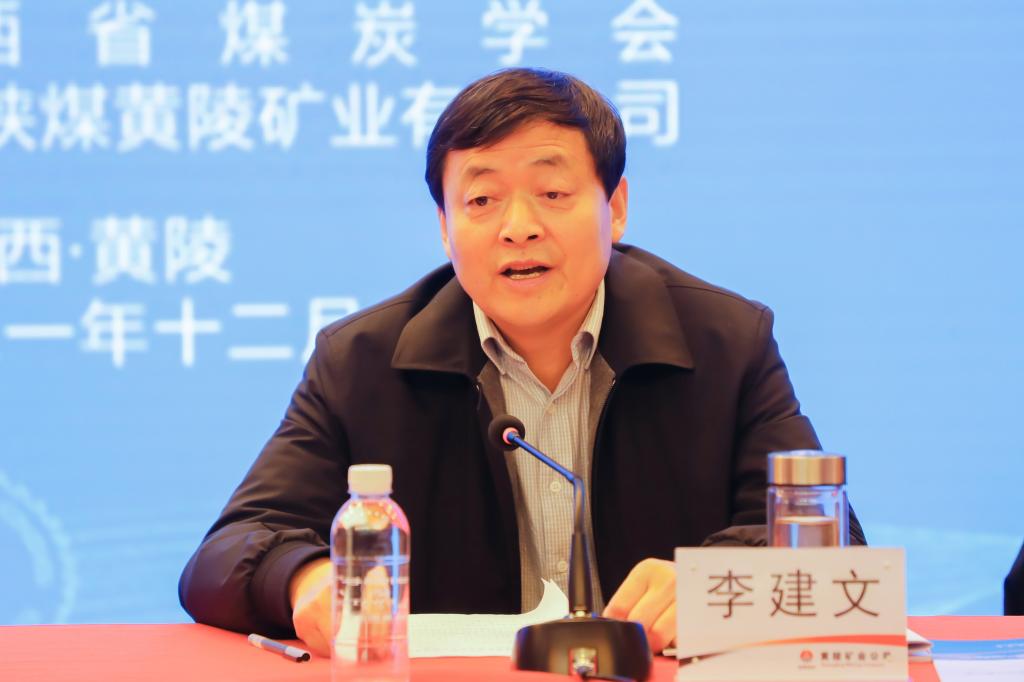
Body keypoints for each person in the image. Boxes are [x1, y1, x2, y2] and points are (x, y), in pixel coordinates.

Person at [179, 67, 866, 657]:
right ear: (445, 229)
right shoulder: (362, 362)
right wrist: (306, 581)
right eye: (481, 200)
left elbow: (835, 550)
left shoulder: (724, 341)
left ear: (616, 207)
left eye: (552, 194)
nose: (518, 227)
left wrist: (712, 588)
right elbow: (224, 553)